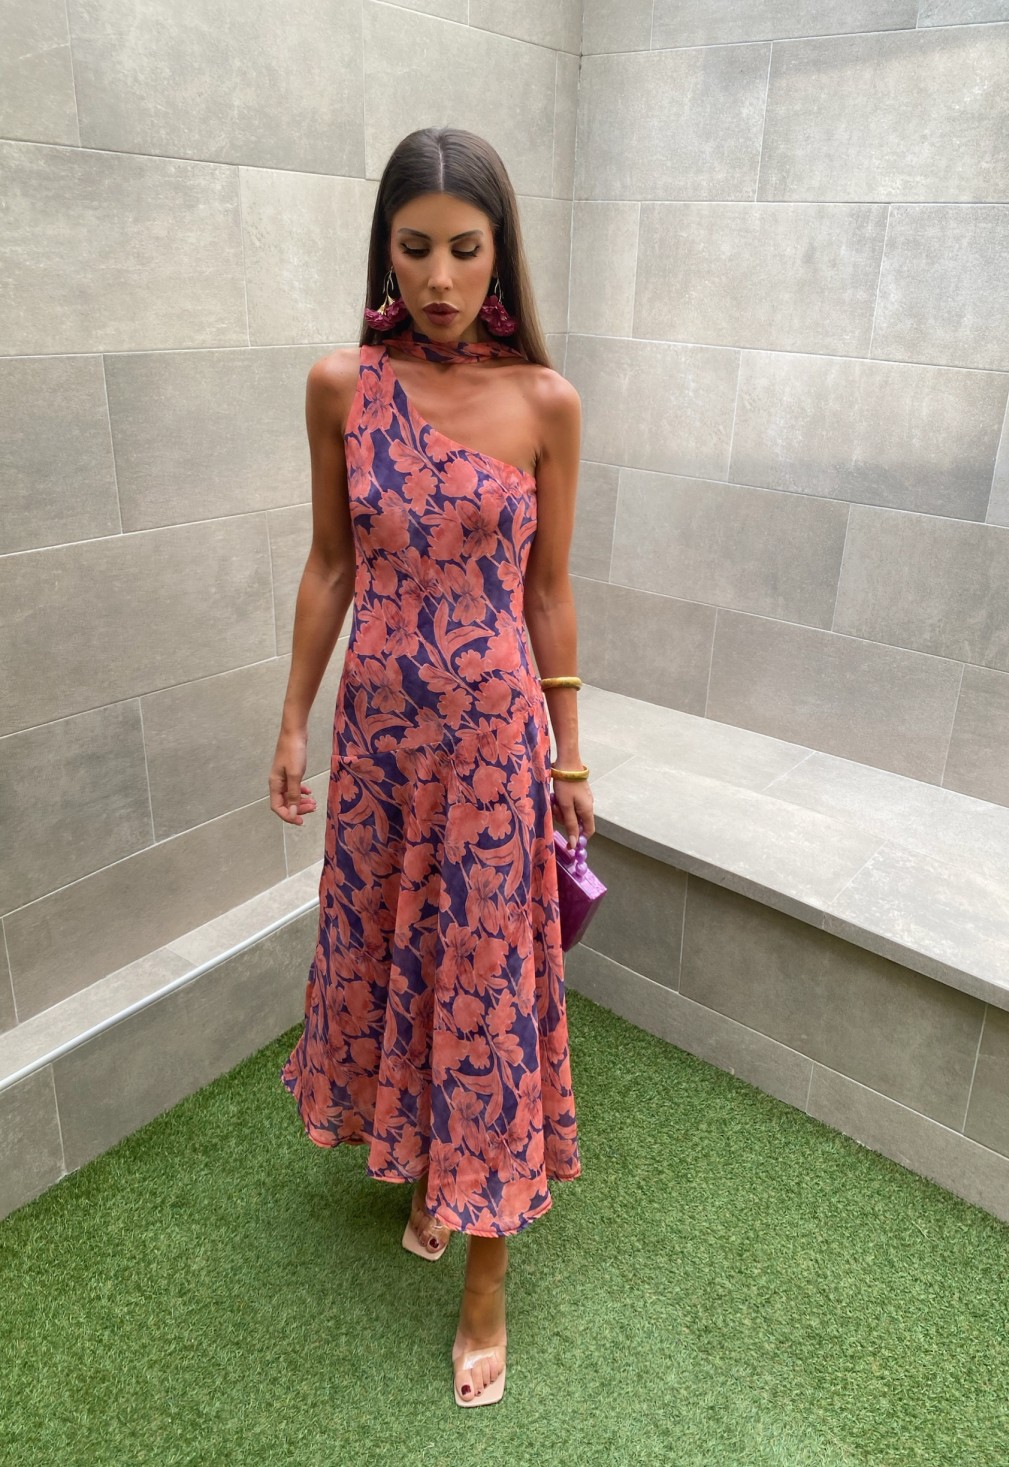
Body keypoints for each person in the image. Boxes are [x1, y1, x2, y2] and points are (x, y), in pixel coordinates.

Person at [268, 126, 595, 1408]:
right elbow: (329, 563)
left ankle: (484, 1280)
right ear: (385, 251)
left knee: (486, 997)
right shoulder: (339, 388)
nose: (440, 279)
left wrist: (571, 755)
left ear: (500, 252)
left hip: (494, 755)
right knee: (393, 961)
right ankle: (423, 1173)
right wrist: (292, 719)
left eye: (465, 249)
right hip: (379, 749)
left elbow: (549, 594)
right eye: (415, 249)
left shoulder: (545, 403)